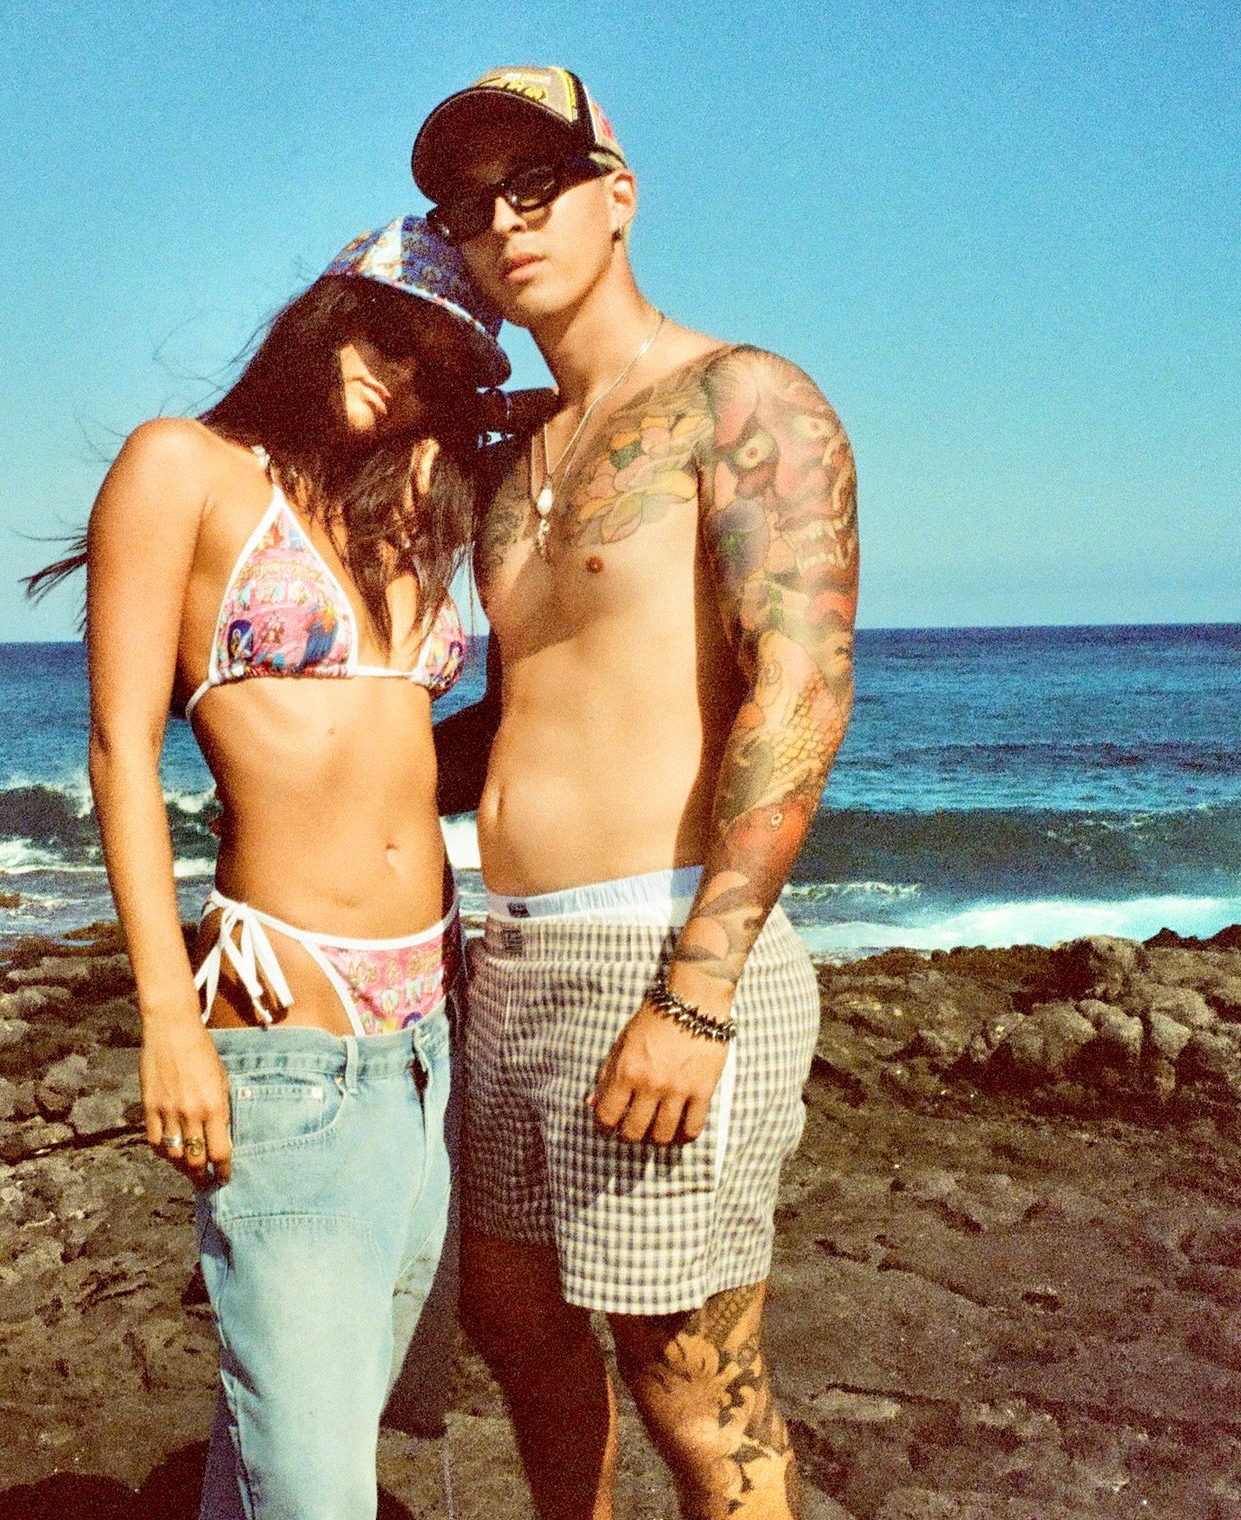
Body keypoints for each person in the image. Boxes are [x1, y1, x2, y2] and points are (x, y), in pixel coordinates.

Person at [411, 68, 859, 1519]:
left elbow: (796, 696)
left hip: (662, 956)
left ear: (620, 191)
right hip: (512, 961)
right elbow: (526, 716)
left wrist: (696, 995)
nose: (504, 224)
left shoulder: (746, 400)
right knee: (522, 1339)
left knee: (692, 1378)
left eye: (535, 187)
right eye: (469, 208)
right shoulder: (512, 455)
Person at [31, 217, 510, 1520]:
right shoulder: (180, 469)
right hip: (284, 1032)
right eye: (387, 330)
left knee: (298, 1437)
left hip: (429, 1036)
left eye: (443, 364)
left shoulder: (410, 510)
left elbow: (405, 758)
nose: (400, 372)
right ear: (325, 311)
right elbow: (122, 753)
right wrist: (168, 1021)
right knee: (312, 1484)